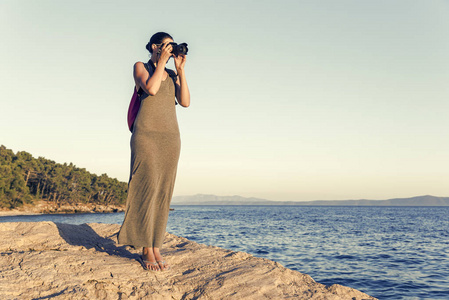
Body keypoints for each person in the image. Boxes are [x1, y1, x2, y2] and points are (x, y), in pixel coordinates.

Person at [117, 32, 190, 271]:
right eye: (166, 46)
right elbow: (151, 89)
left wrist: (180, 70)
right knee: (145, 187)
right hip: (146, 136)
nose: (170, 50)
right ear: (154, 47)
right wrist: (160, 62)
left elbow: (186, 101)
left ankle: (156, 245)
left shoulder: (170, 74)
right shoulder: (142, 67)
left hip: (171, 139)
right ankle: (145, 248)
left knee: (162, 193)